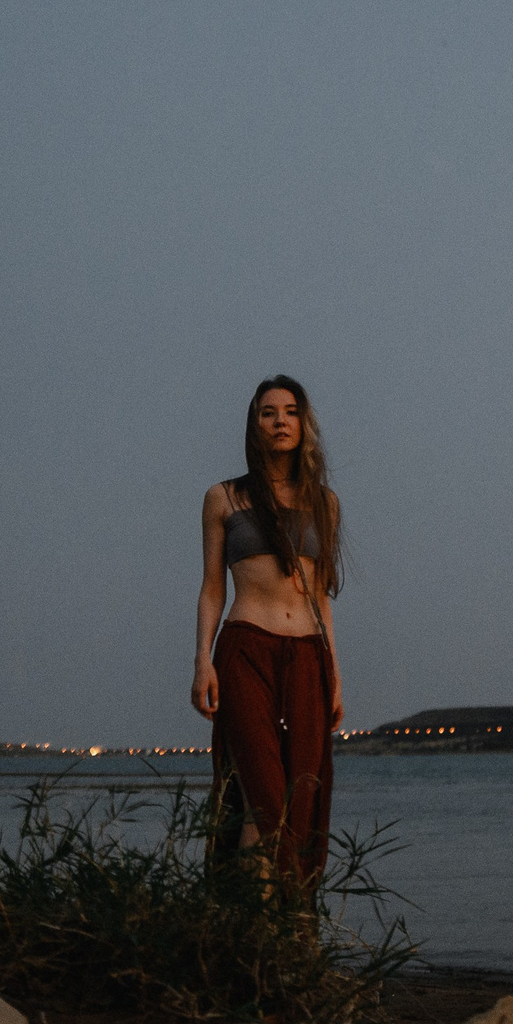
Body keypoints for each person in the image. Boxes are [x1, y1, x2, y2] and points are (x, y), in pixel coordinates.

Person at [193, 376, 344, 890]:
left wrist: (335, 673)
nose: (280, 421)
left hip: (307, 656)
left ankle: (287, 926)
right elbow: (213, 587)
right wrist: (202, 661)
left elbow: (320, 596)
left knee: (300, 795)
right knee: (259, 791)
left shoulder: (325, 503)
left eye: (290, 411)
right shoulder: (223, 498)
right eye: (268, 413)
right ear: (254, 425)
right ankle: (245, 923)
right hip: (245, 649)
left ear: (304, 425)